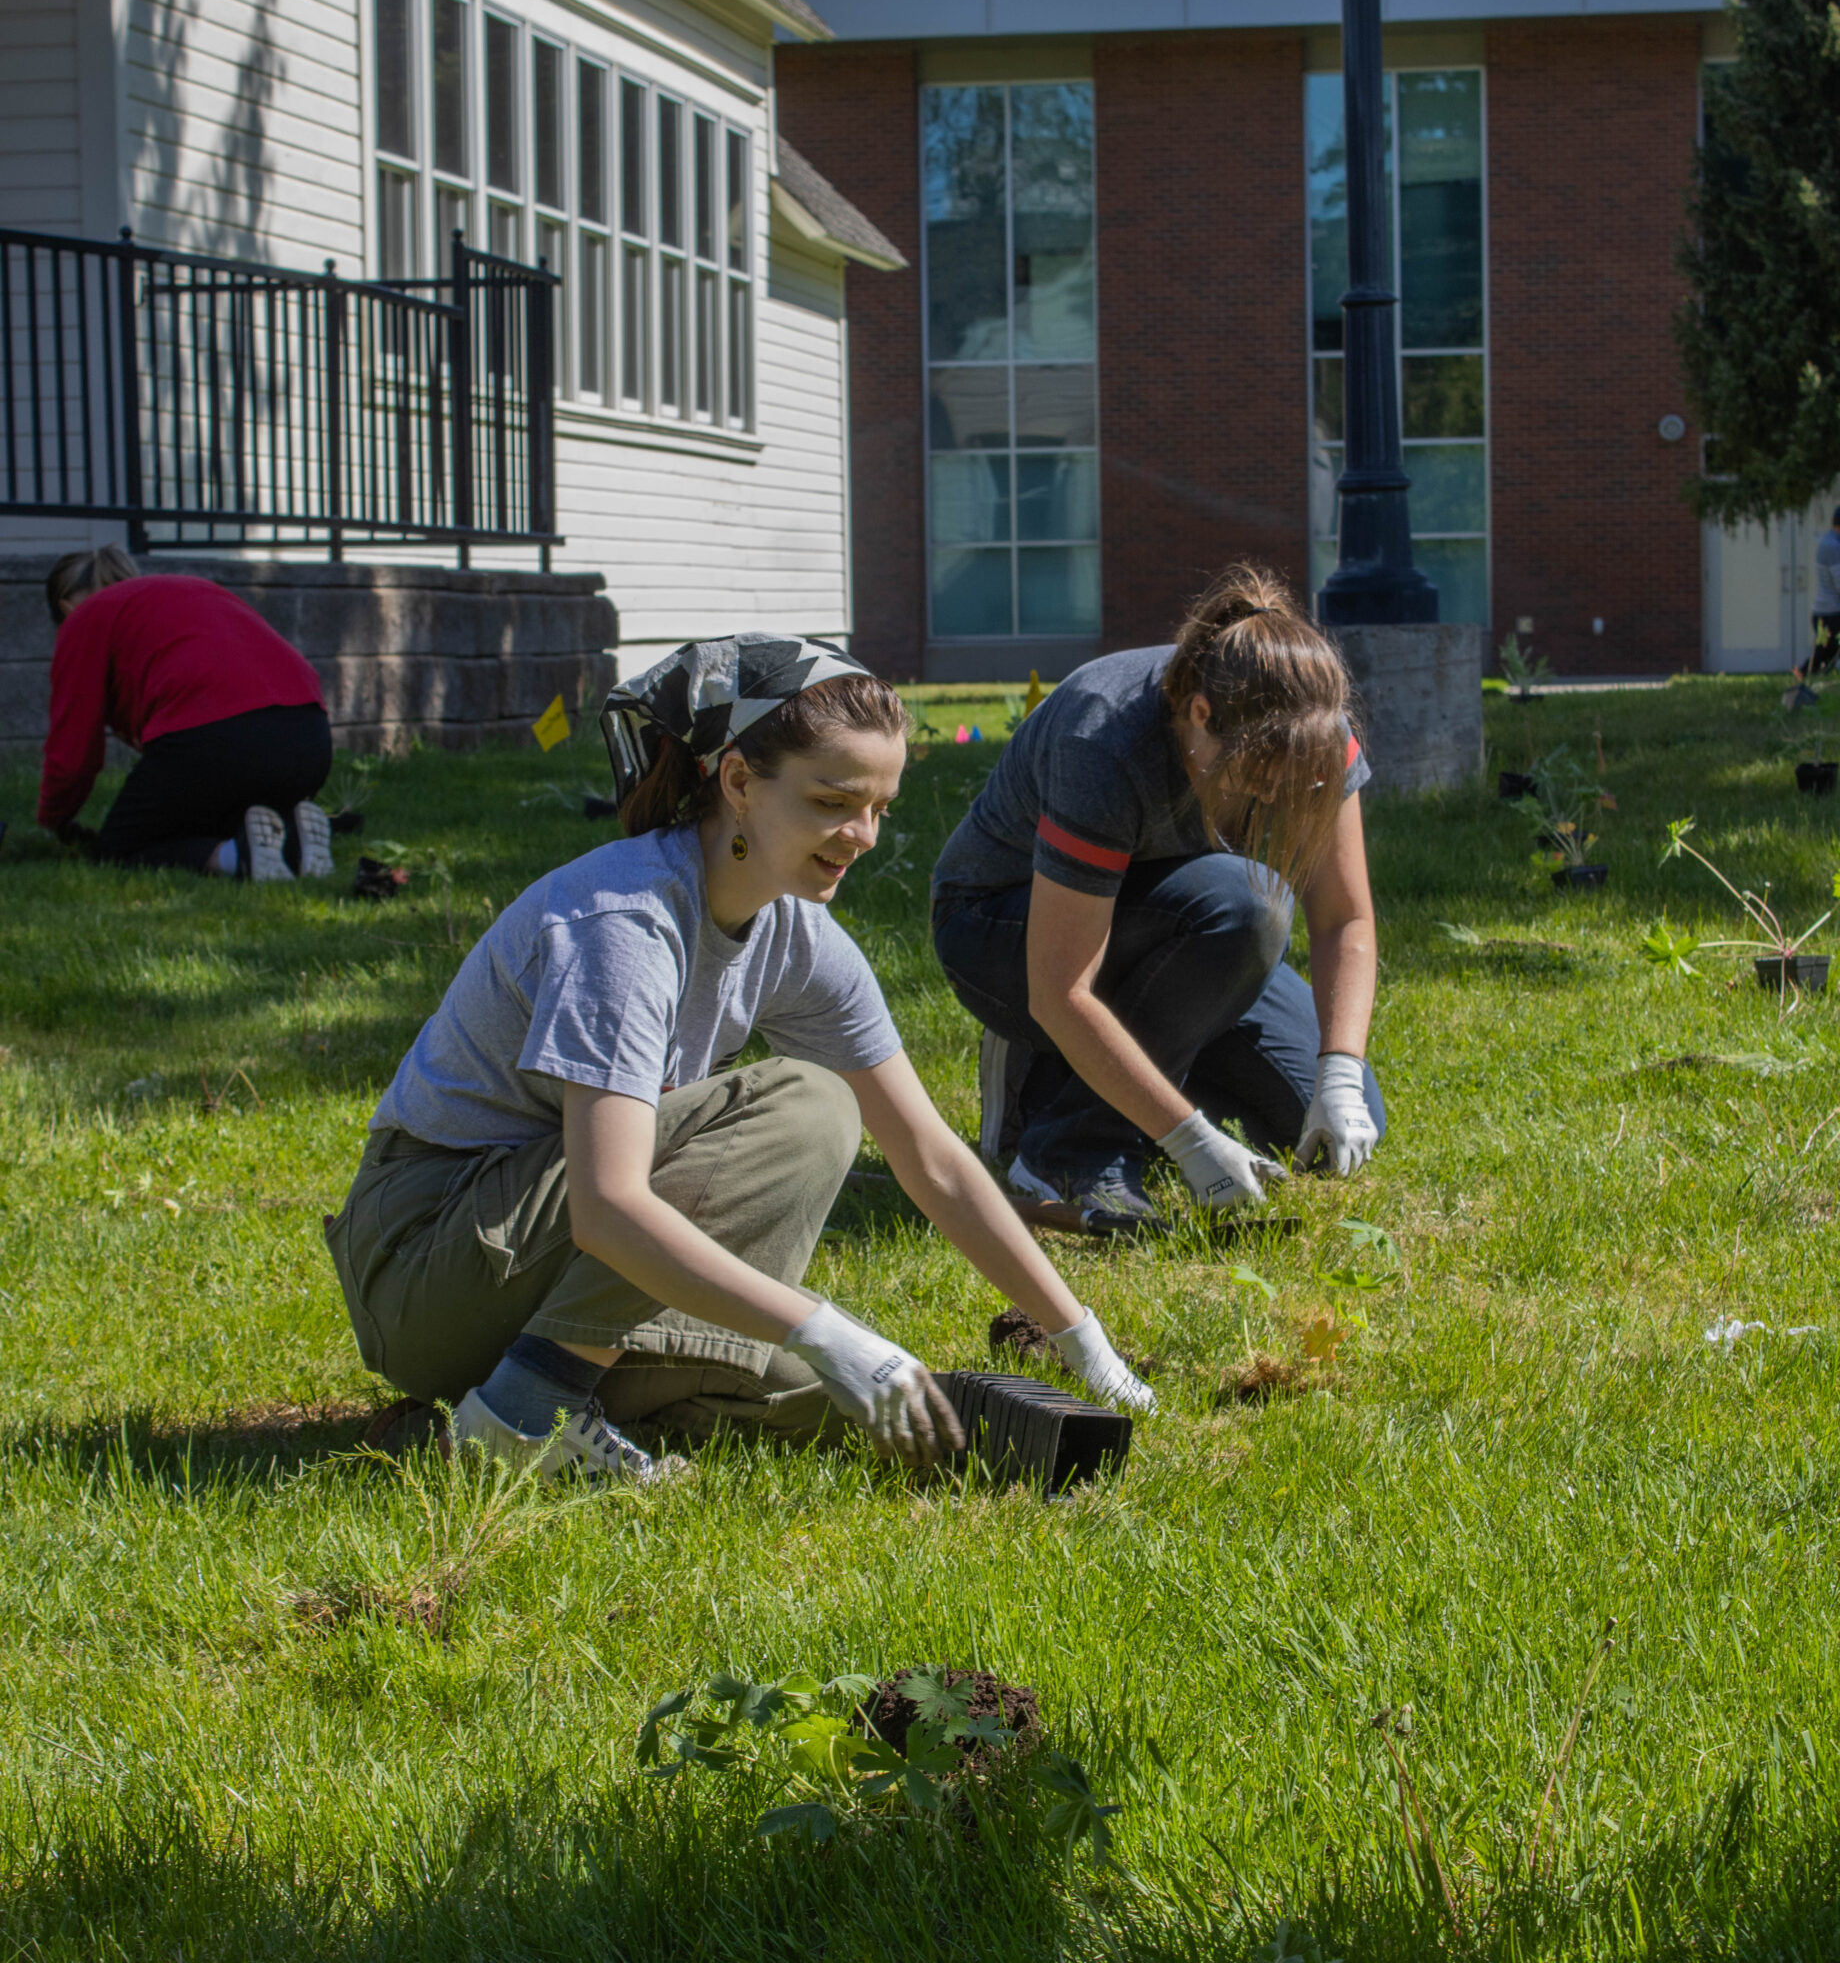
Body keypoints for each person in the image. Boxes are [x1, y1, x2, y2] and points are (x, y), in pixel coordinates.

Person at [325, 634, 1155, 1485]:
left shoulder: (795, 934)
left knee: (810, 1382)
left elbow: (933, 1159)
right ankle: (528, 1408)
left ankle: (553, 1394)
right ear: (738, 782)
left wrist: (1079, 1337)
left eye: (881, 809)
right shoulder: (625, 924)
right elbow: (608, 1210)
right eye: (835, 800)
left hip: (531, 1278)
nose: (863, 835)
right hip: (428, 1264)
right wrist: (823, 1326)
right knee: (809, 1109)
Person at [930, 564, 1386, 1230]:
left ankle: (1111, 1074)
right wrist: (1189, 1141)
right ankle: (1067, 1144)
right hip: (1004, 931)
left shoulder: (1314, 735)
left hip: (1182, 932)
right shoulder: (1106, 739)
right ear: (1199, 716)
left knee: (1323, 1124)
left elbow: (1345, 918)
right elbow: (1060, 988)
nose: (1270, 800)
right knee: (1248, 906)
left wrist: (1340, 1073)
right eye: (1257, 778)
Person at [36, 549, 335, 881]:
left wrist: (54, 820)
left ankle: (237, 857)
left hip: (219, 738)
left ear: (65, 609)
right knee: (205, 815)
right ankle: (293, 839)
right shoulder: (186, 591)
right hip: (310, 737)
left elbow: (73, 755)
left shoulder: (84, 618)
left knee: (117, 849)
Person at [1801, 506, 1840, 681]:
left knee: (1827, 651)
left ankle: (1806, 674)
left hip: (1826, 613)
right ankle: (1804, 674)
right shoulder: (1832, 546)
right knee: (1826, 651)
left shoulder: (1829, 542)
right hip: (1830, 613)